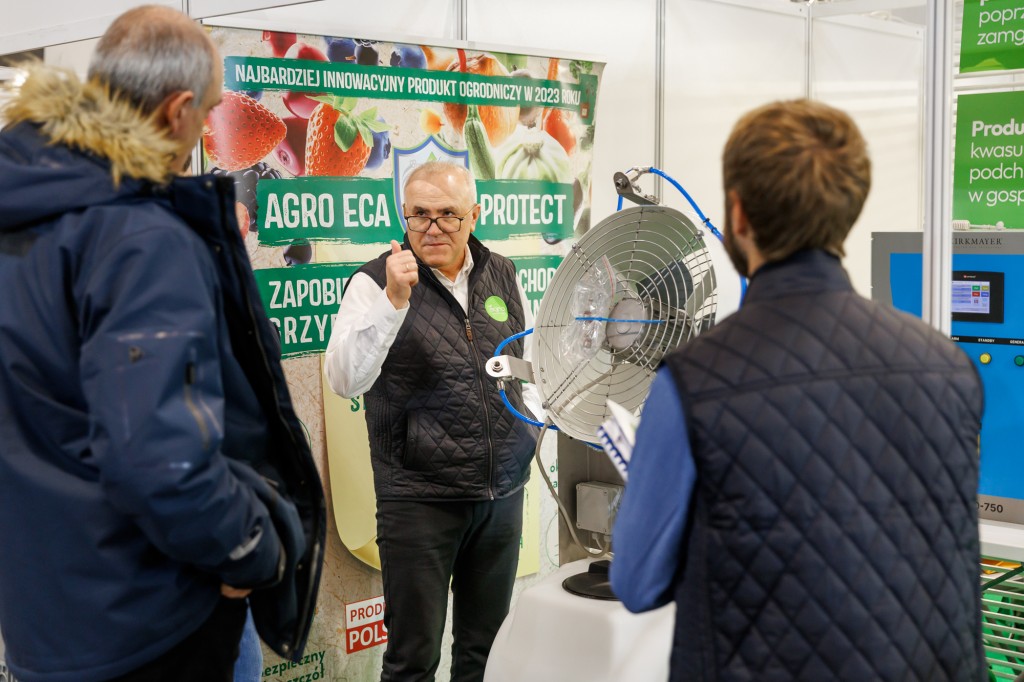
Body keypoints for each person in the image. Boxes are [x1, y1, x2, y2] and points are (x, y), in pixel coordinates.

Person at [0, 6, 325, 681]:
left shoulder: (26, 211)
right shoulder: (140, 237)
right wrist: (251, 549)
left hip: (44, 621)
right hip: (151, 619)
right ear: (177, 111)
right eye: (205, 113)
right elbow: (159, 460)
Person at [610, 100, 986, 681]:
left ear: (738, 213)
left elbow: (637, 583)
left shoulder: (693, 383)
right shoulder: (950, 366)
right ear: (848, 211)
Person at [324, 161, 538, 682]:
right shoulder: (375, 282)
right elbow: (344, 380)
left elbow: (527, 363)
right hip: (419, 500)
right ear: (404, 214)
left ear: (474, 216)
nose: (433, 228)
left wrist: (528, 433)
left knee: (485, 653)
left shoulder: (502, 272)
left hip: (500, 496)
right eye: (419, 215)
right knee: (413, 661)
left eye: (448, 215)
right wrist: (394, 302)